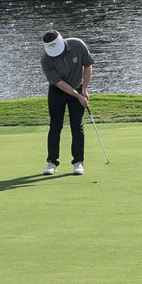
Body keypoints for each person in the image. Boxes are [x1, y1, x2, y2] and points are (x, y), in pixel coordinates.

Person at [40, 29, 94, 176]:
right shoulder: (45, 59)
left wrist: (84, 88)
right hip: (58, 91)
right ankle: (52, 162)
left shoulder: (78, 45)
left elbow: (88, 66)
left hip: (78, 85)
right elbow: (59, 83)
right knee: (55, 126)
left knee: (77, 125)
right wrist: (77, 96)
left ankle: (78, 162)